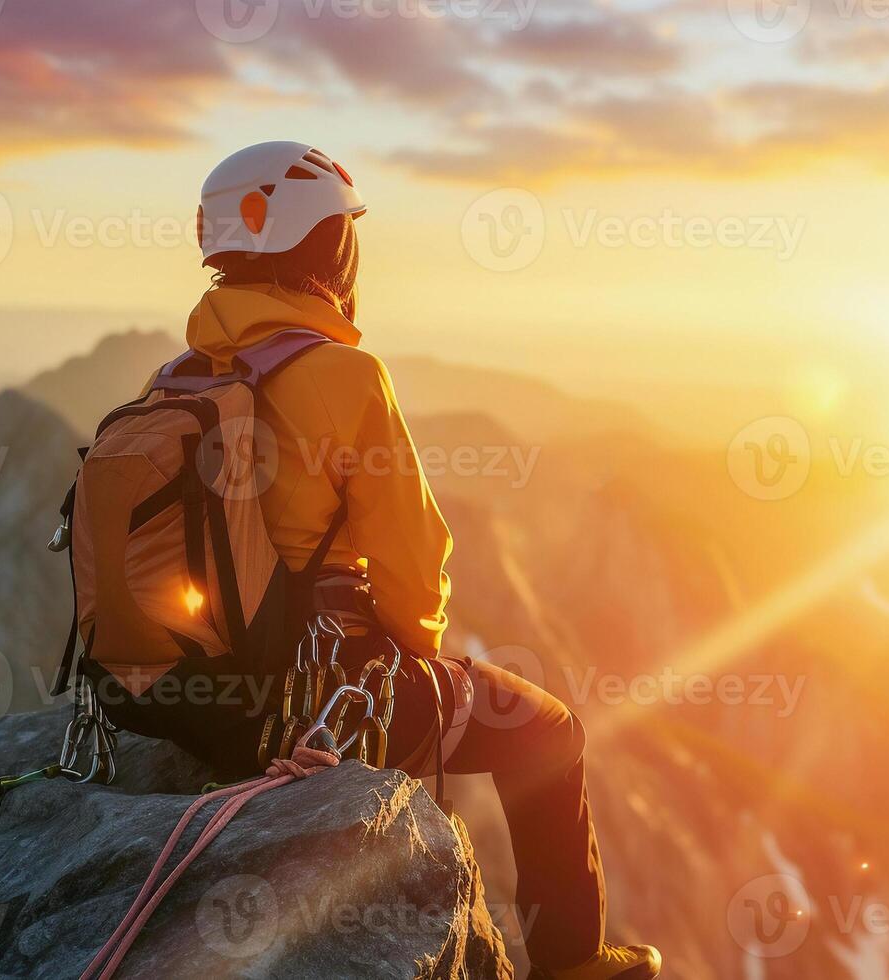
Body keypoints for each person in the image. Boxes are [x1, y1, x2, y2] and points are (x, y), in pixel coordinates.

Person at [162, 141, 659, 980]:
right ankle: (577, 962)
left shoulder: (175, 379)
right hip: (317, 694)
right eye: (343, 237)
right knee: (549, 732)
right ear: (323, 249)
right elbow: (413, 569)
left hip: (194, 692)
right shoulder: (346, 375)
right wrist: (412, 659)